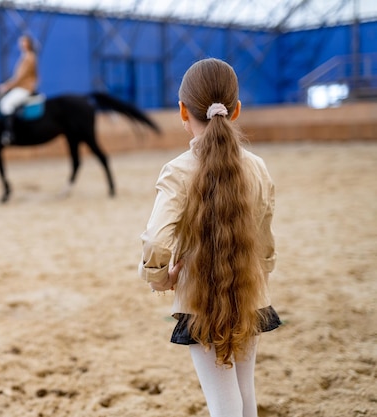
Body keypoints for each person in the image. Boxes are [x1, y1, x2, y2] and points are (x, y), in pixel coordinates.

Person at [138, 58, 281, 417]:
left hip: (200, 299)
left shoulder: (177, 171)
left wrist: (159, 278)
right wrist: (259, 275)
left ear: (183, 111)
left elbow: (157, 240)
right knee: (245, 395)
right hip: (249, 292)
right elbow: (264, 239)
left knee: (223, 403)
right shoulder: (257, 167)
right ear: (236, 111)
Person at [0, 35, 39, 146]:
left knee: (6, 103)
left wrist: (7, 86)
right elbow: (17, 77)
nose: (21, 44)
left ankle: (9, 133)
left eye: (24, 42)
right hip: (20, 86)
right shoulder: (24, 57)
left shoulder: (29, 58)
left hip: (24, 88)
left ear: (28, 44)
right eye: (21, 42)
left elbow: (20, 78)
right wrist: (7, 85)